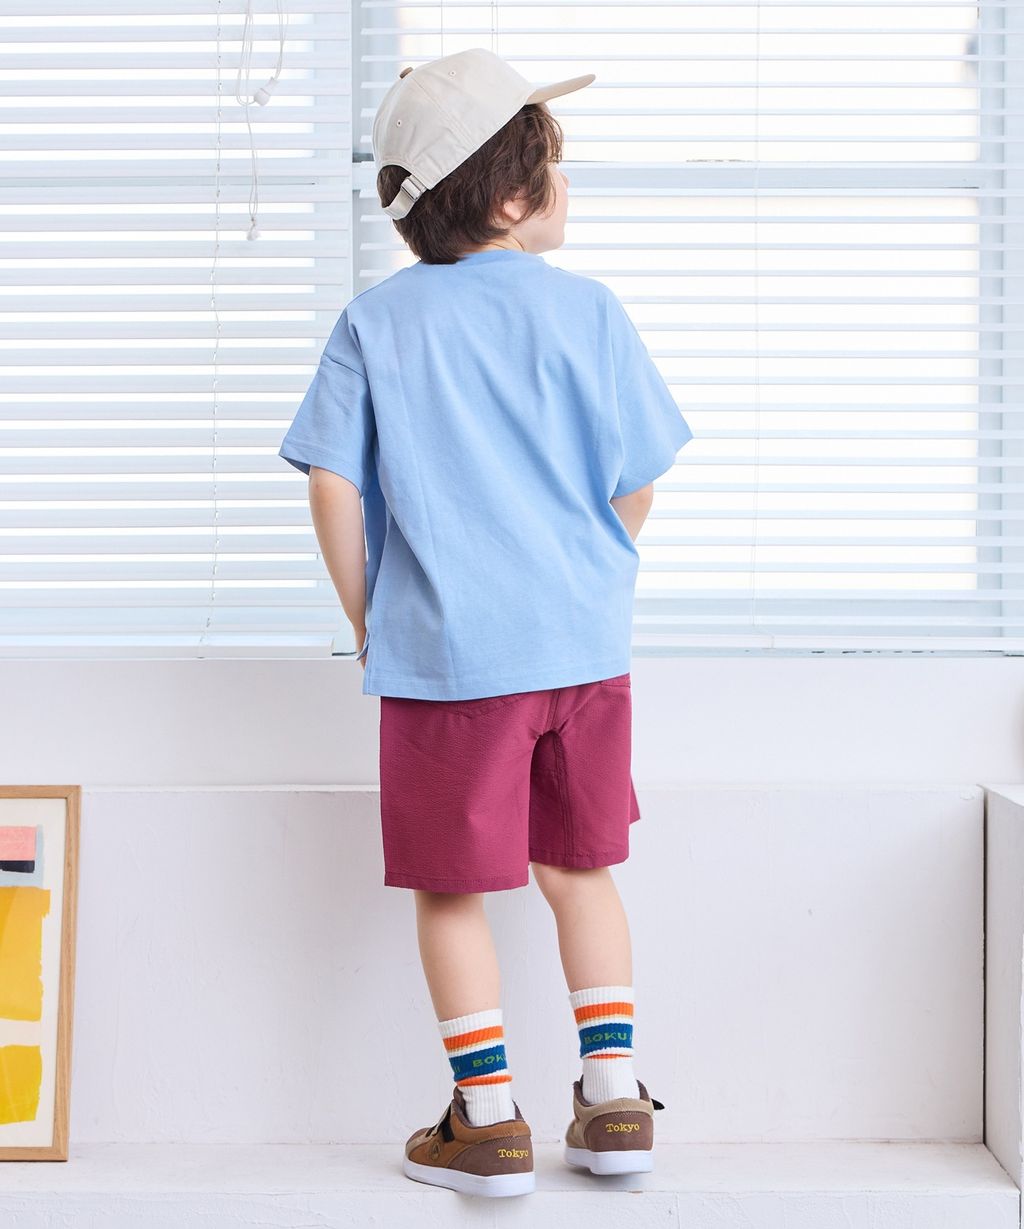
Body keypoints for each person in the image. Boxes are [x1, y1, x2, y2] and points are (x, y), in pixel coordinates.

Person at [278, 46, 690, 1198]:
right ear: (509, 197)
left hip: (447, 660)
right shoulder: (590, 311)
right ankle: (613, 1094)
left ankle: (490, 1115)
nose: (565, 184)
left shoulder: (376, 321)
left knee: (451, 887)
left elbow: (330, 482)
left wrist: (371, 615)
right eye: (552, 165)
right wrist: (583, 576)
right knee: (581, 868)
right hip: (583, 652)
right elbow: (639, 478)